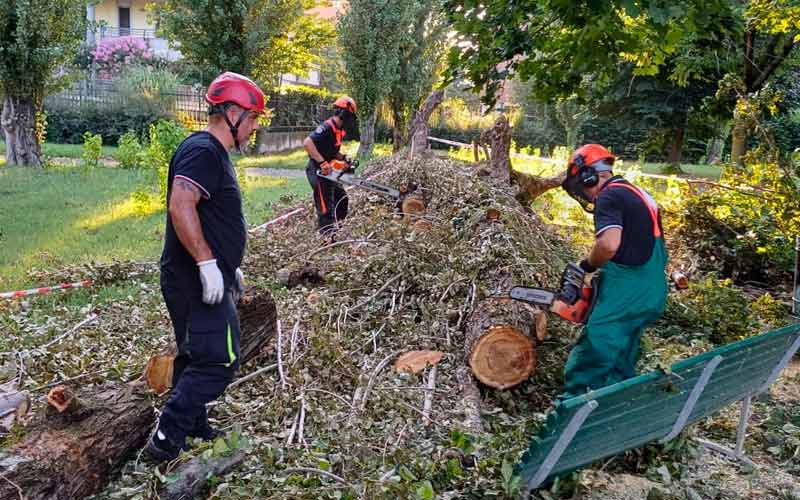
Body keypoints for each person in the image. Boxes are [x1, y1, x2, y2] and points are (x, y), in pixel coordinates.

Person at [146, 71, 266, 462]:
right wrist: (206, 263)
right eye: (252, 118)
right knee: (219, 361)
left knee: (195, 353)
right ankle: (165, 439)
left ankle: (193, 426)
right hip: (194, 280)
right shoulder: (203, 151)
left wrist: (228, 267)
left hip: (200, 276)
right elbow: (181, 205)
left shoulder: (212, 153)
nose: (254, 127)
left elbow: (209, 215)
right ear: (232, 113)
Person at [559, 143, 668, 398]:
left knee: (594, 351)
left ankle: (571, 411)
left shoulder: (609, 196)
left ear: (589, 176)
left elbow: (608, 245)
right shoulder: (639, 193)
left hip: (627, 292)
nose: (585, 195)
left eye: (581, 186)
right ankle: (615, 409)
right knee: (622, 358)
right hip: (652, 289)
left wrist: (587, 265)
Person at [304, 96, 358, 238]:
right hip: (318, 171)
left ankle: (338, 230)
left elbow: (332, 151)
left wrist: (344, 158)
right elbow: (308, 143)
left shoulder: (338, 130)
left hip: (329, 172)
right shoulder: (327, 127)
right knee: (325, 207)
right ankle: (327, 237)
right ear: (344, 114)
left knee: (342, 199)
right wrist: (322, 162)